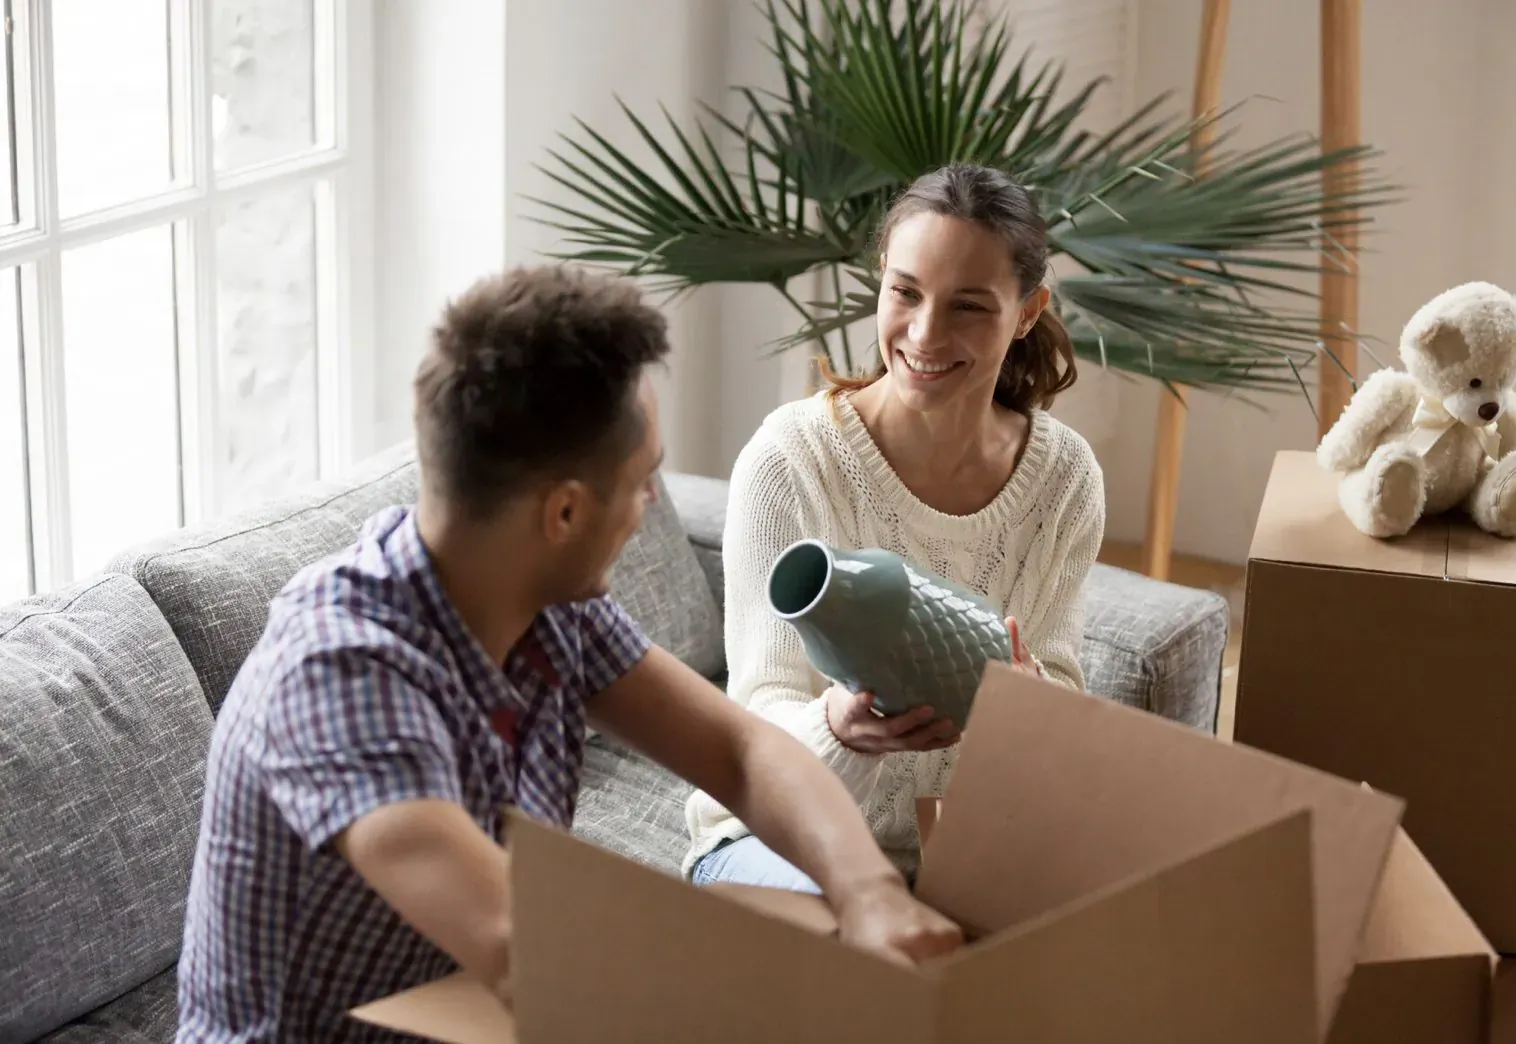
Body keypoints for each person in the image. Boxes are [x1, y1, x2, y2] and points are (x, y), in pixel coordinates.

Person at [174, 265, 963, 1042]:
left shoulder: (547, 606)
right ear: (563, 511)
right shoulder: (340, 675)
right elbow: (525, 952)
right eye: (643, 478)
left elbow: (742, 752)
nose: (653, 504)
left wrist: (870, 895)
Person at [684, 163, 1107, 892]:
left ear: (1029, 311)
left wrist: (1029, 706)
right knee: (871, 948)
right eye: (905, 292)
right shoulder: (791, 461)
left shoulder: (1065, 477)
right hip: (779, 841)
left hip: (960, 852)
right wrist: (841, 730)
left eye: (969, 307)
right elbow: (757, 720)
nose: (924, 333)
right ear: (881, 277)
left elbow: (1063, 697)